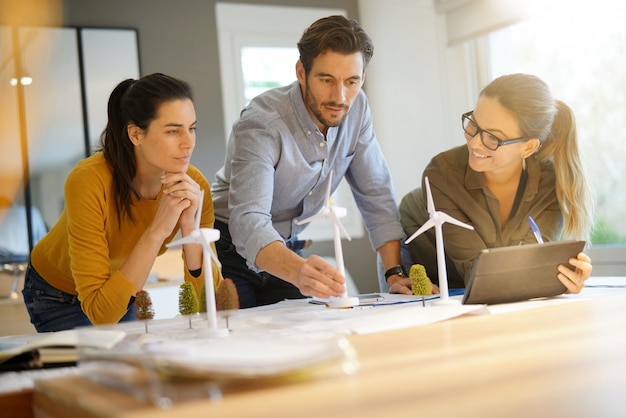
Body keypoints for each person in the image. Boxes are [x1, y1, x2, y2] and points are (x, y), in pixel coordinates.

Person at [211, 15, 415, 308]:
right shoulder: (262, 124)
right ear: (301, 72)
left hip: (285, 245)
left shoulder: (357, 110)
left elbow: (376, 193)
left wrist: (394, 272)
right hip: (229, 249)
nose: (340, 97)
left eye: (351, 81)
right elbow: (249, 221)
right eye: (326, 79)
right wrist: (296, 270)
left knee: (304, 333)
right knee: (239, 340)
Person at [23, 73, 222, 332]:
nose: (189, 143)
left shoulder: (194, 186)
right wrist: (158, 229)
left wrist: (190, 228)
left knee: (132, 366)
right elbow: (101, 314)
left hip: (120, 285)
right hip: (55, 291)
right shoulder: (89, 180)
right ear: (136, 134)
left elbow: (211, 306)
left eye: (191, 128)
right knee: (94, 369)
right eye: (173, 131)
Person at [400, 73, 593, 293]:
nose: (474, 143)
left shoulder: (550, 185)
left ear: (528, 148)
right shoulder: (441, 173)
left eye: (493, 137)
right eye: (473, 124)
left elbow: (533, 261)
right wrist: (543, 279)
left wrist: (561, 280)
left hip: (486, 275)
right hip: (421, 250)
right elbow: (476, 269)